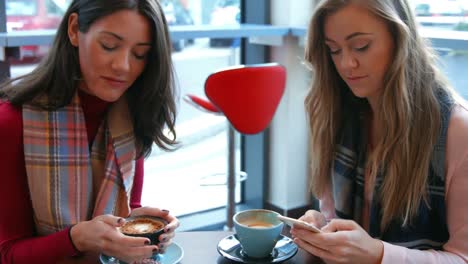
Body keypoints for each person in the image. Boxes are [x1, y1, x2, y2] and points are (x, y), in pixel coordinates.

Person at [0, 0, 180, 263]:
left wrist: (144, 224)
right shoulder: (11, 123)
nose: (124, 66)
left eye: (140, 54)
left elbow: (121, 212)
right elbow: (7, 253)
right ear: (74, 29)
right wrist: (77, 238)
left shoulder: (132, 117)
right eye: (109, 45)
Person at [293, 0, 468, 263]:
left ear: (400, 40)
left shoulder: (456, 131)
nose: (346, 64)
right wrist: (322, 225)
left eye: (361, 46)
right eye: (334, 50)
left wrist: (379, 255)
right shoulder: (337, 114)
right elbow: (336, 219)